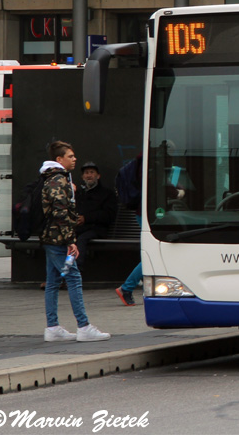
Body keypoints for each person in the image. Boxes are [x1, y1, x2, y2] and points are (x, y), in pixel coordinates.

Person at [40, 140, 110, 342]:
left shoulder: (54, 177)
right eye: (70, 156)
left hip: (51, 238)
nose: (74, 159)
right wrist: (71, 241)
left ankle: (52, 327)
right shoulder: (58, 180)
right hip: (58, 239)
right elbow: (61, 212)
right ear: (59, 159)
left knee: (53, 282)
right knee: (74, 279)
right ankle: (83, 326)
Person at [74, 161, 117, 266]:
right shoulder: (78, 193)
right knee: (62, 239)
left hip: (96, 229)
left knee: (81, 240)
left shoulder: (107, 194)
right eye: (86, 173)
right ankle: (58, 276)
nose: (89, 175)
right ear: (83, 177)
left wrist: (86, 218)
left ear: (98, 176)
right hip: (78, 228)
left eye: (92, 172)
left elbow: (109, 215)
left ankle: (75, 274)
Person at [115, 154, 142, 306]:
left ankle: (127, 287)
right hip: (147, 214)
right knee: (153, 255)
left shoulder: (141, 161)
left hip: (143, 212)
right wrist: (178, 192)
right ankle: (127, 287)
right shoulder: (149, 162)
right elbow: (156, 185)